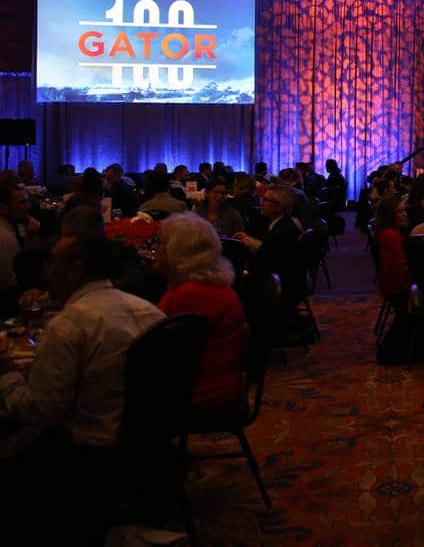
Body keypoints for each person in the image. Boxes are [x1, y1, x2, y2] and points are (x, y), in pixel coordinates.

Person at [0, 232, 164, 541]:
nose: (46, 271)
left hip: (89, 455)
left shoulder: (68, 326)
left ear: (75, 269)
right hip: (150, 443)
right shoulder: (149, 311)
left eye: (52, 264)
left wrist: (6, 373)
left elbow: (39, 411)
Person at [156, 213, 247, 415]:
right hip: (208, 380)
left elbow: (167, 356)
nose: (156, 250)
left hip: (204, 391)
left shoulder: (194, 293)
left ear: (178, 252)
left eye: (161, 244)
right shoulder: (194, 282)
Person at [372, 195, 412, 306]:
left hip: (390, 285)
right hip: (397, 289)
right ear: (389, 215)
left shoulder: (385, 232)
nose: (405, 214)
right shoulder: (390, 236)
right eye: (400, 211)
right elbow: (399, 270)